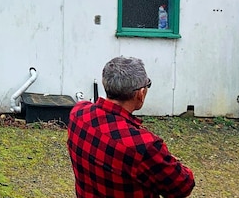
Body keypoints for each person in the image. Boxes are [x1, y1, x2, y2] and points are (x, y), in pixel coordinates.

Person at [67, 56, 194, 198]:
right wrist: (171, 161)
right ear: (141, 93)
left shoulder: (78, 113)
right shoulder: (144, 147)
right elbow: (183, 186)